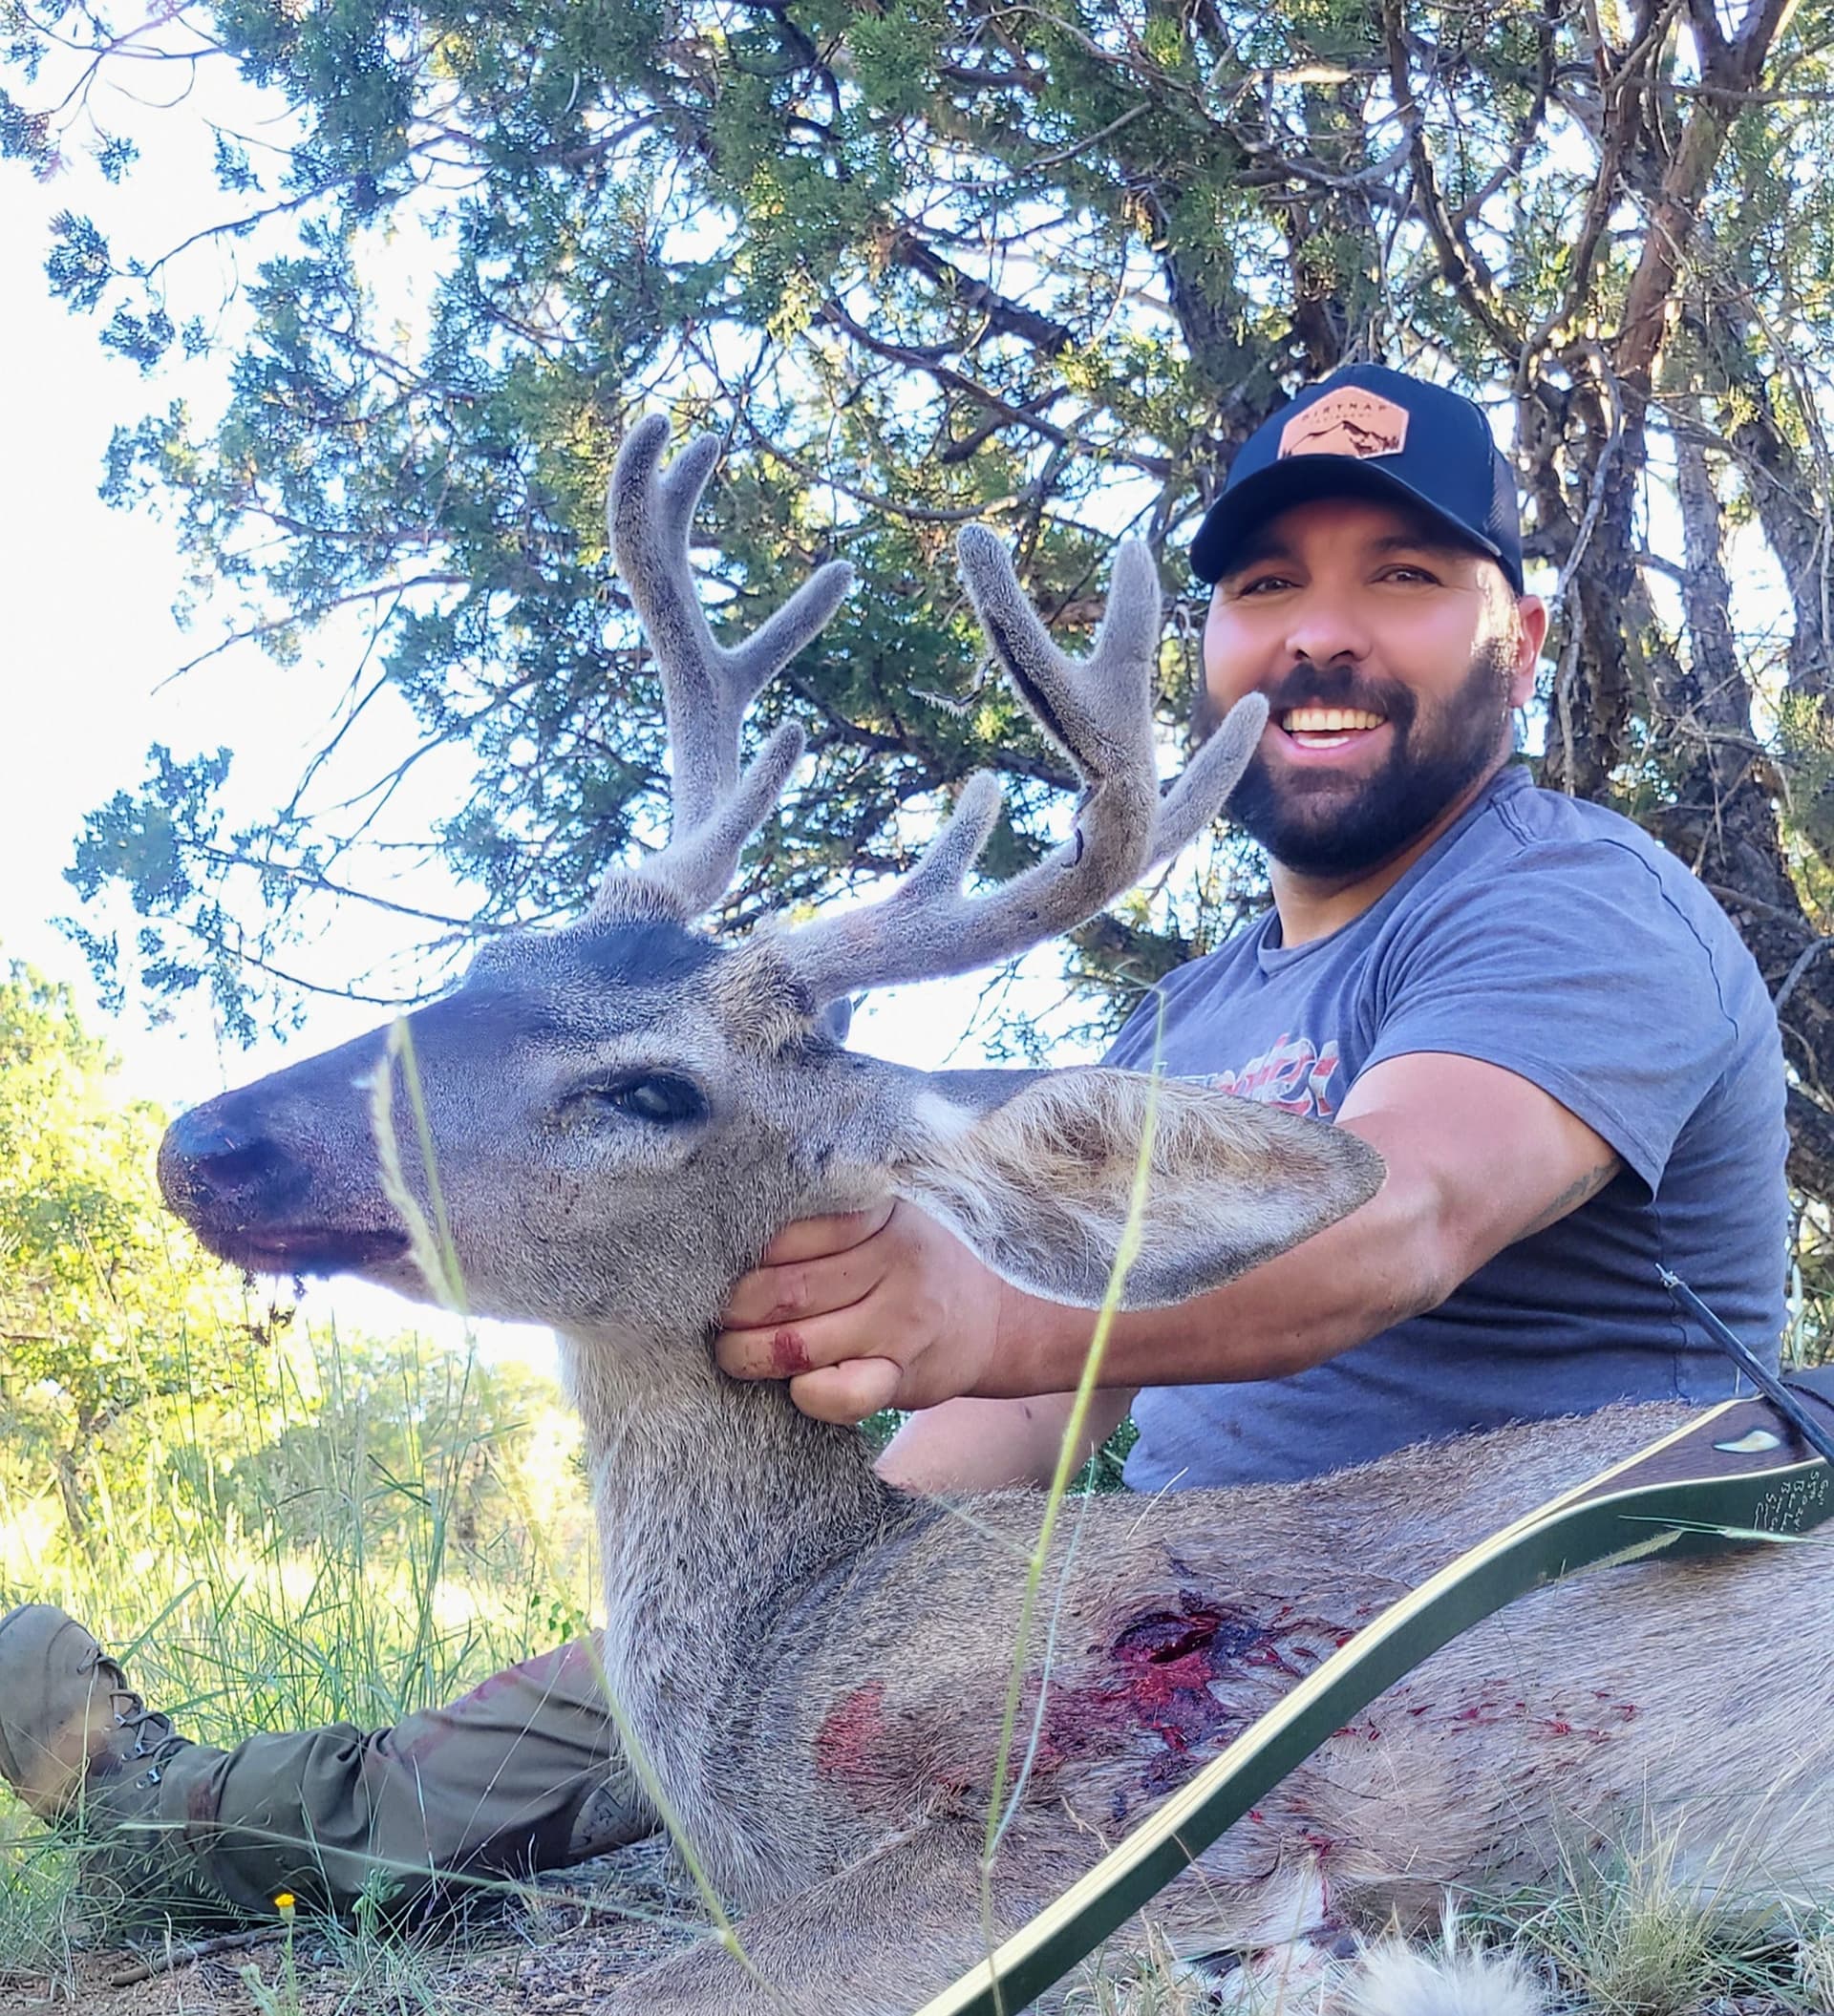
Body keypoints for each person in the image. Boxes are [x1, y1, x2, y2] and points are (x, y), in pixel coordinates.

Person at [0, 363, 1788, 1927]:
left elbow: (1399, 1216)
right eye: (1267, 584)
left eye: (1403, 579)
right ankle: (173, 1816)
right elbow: (1027, 1406)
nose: (1322, 633)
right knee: (661, 1704)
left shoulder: (1577, 905)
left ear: (1518, 638)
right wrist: (732, 1609)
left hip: (1497, 1616)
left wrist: (990, 1317)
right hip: (1136, 1616)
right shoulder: (1187, 1020)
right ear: (1223, 645)